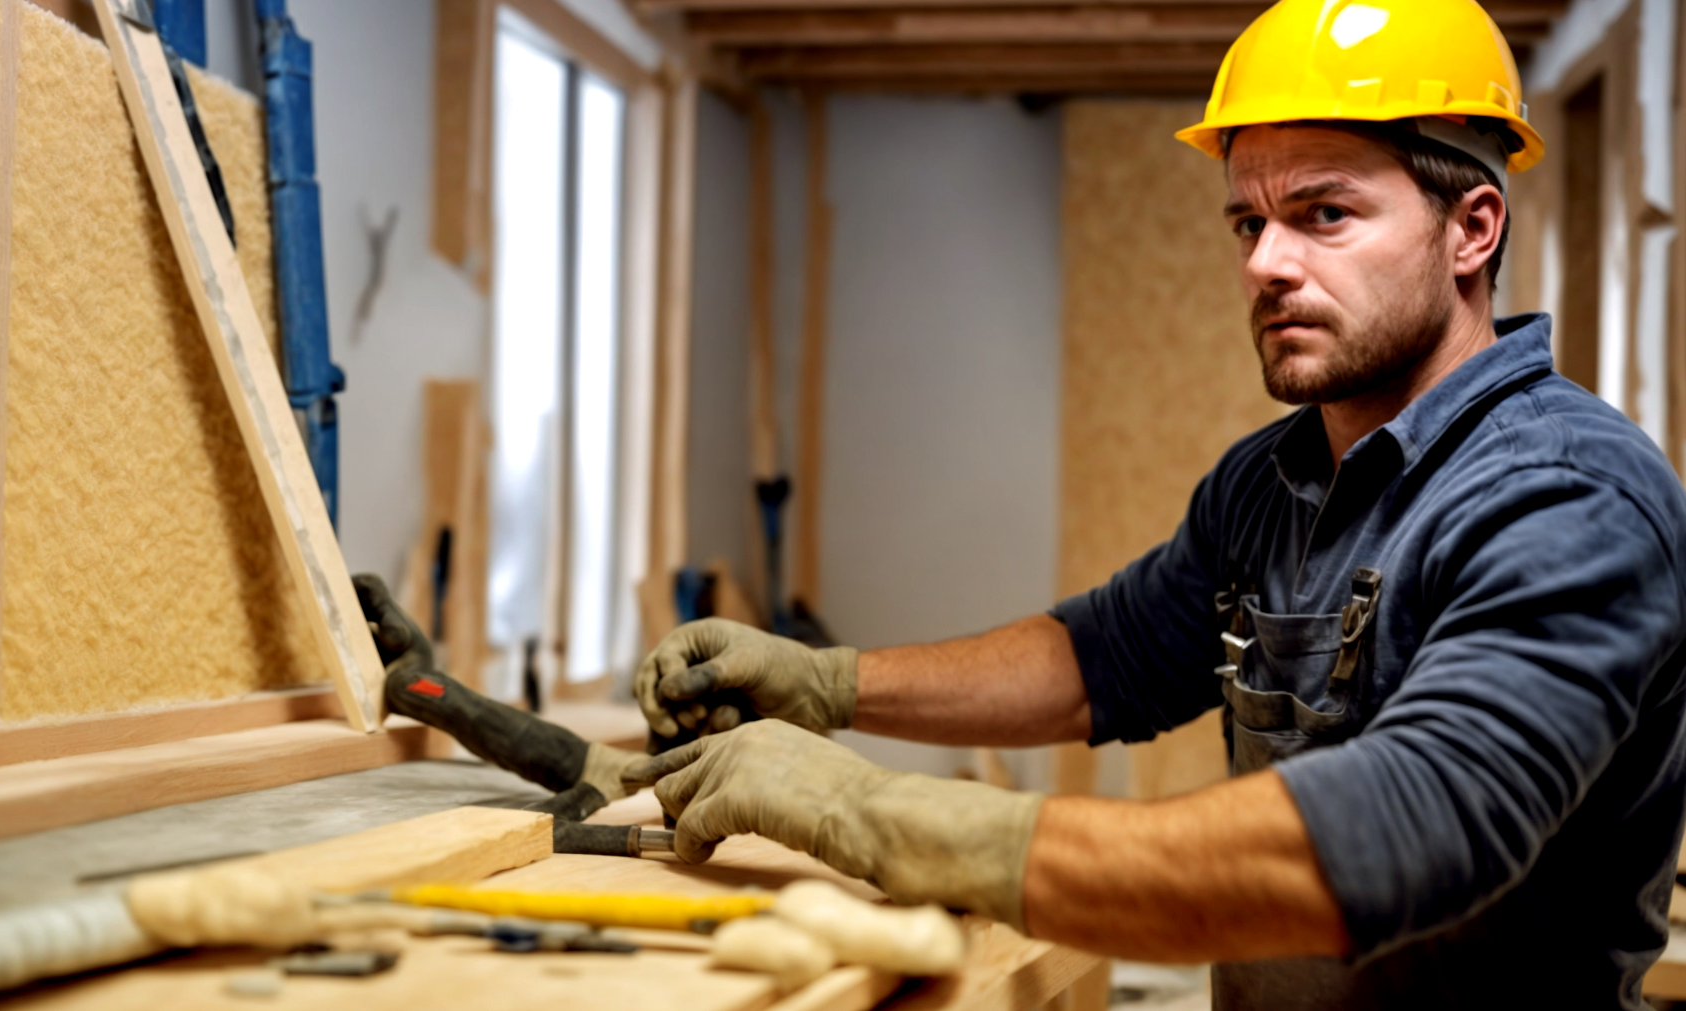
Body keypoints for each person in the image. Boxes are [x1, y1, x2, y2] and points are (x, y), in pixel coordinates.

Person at [624, 0, 1686, 1005]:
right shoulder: (1270, 482)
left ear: (1473, 230)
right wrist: (824, 681)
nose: (1268, 264)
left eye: (1325, 214)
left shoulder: (1565, 498)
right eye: (1248, 224)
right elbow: (1106, 656)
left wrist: (864, 809)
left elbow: (1413, 827)